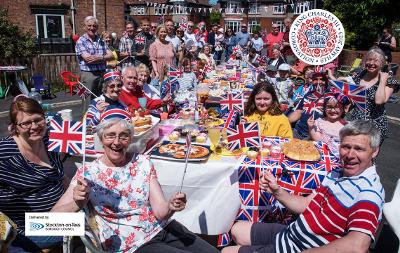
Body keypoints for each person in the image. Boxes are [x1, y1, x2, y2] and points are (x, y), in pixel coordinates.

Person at [52, 118, 219, 253]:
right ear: (101, 139)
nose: (117, 142)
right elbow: (50, 220)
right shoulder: (87, 173)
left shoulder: (143, 162)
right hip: (133, 244)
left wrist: (171, 205)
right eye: (110, 135)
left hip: (163, 228)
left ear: (130, 140)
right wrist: (77, 203)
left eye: (123, 136)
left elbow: (161, 212)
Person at [222, 120, 384, 253]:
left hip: (303, 248)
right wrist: (277, 191)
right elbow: (306, 205)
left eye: (359, 149)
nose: (349, 155)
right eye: (346, 146)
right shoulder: (338, 172)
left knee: (226, 252)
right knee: (236, 229)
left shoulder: (369, 192)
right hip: (292, 234)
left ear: (375, 151)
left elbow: (358, 245)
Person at [0, 97, 66, 252]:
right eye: (26, 123)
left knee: (99, 206)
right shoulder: (5, 153)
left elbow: (60, 176)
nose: (35, 126)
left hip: (60, 212)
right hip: (31, 227)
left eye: (38, 120)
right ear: (15, 127)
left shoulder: (50, 140)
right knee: (88, 223)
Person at [347, 47, 398, 145]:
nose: (371, 63)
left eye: (376, 60)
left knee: (367, 157)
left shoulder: (389, 80)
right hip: (356, 123)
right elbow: (355, 98)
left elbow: (379, 101)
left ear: (382, 63)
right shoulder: (360, 76)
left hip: (374, 126)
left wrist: (382, 80)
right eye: (369, 60)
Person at [75, 16, 113, 97]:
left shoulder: (101, 40)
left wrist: (99, 58)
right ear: (84, 27)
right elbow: (88, 59)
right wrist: (104, 57)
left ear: (97, 27)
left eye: (94, 26)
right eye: (89, 25)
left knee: (102, 99)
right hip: (88, 75)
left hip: (102, 74)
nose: (92, 28)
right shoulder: (81, 41)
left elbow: (111, 55)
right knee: (87, 101)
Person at [288, 71, 331, 139]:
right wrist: (285, 120)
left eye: (322, 79)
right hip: (298, 131)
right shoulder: (309, 94)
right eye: (315, 79)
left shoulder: (331, 97)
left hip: (315, 135)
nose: (318, 82)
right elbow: (298, 111)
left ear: (327, 81)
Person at [308, 92, 350, 156]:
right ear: (324, 108)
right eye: (329, 107)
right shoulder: (319, 122)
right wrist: (311, 127)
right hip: (323, 155)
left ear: (344, 109)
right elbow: (316, 139)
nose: (332, 110)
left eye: (337, 107)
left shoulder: (347, 125)